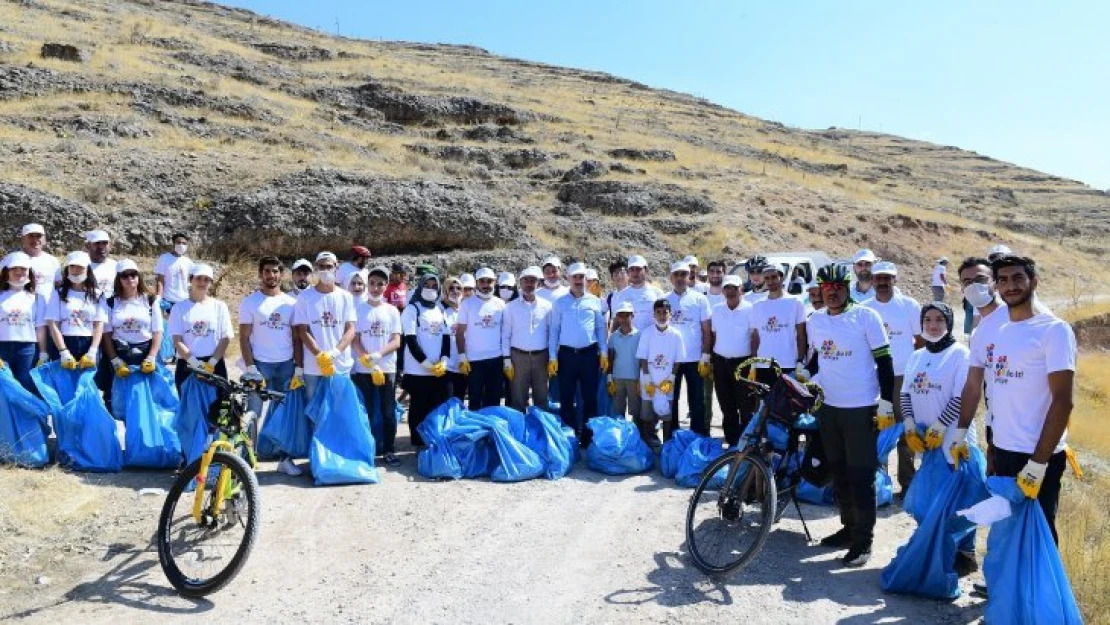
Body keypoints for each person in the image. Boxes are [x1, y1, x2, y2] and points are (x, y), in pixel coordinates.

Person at [954, 255, 1076, 545]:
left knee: (1039, 534)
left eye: (1018, 278)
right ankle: (1006, 588)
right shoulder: (990, 331)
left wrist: (1039, 463)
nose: (1011, 285)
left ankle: (1039, 591)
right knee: (1008, 530)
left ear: (1034, 282)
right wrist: (962, 433)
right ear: (997, 287)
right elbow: (977, 387)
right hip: (1004, 448)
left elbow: (1063, 401)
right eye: (1004, 280)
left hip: (1039, 453)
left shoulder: (1053, 330)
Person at [806, 263, 893, 567]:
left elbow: (884, 362)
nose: (832, 293)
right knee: (839, 473)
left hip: (861, 407)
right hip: (829, 408)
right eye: (826, 289)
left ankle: (863, 541)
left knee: (860, 476)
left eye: (838, 287)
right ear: (820, 290)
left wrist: (887, 402)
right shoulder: (815, 319)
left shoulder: (866, 316)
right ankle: (847, 529)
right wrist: (807, 375)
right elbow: (818, 359)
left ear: (847, 288)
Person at [899, 302, 979, 575]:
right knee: (934, 494)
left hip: (954, 436)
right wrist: (909, 425)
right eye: (928, 320)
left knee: (962, 494)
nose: (933, 325)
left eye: (939, 320)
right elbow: (906, 393)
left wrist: (942, 425)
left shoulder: (960, 354)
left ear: (949, 324)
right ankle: (936, 545)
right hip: (926, 439)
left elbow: (961, 396)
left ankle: (965, 552)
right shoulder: (916, 355)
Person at [862, 261, 924, 497]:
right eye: (879, 278)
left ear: (894, 280)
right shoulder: (865, 308)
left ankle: (907, 483)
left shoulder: (908, 305)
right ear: (872, 280)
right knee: (879, 429)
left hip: (903, 377)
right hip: (874, 377)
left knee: (906, 430)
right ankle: (880, 484)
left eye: (888, 278)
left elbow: (920, 341)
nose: (883, 282)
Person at [238, 256, 300, 474]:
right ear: (260, 274)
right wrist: (250, 367)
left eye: (275, 271)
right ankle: (246, 462)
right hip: (260, 364)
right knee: (252, 412)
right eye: (267, 271)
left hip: (285, 364)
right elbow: (244, 337)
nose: (271, 275)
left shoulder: (291, 303)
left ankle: (284, 459)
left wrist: (298, 367)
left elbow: (296, 337)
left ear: (281, 274)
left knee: (286, 413)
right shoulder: (250, 302)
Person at [548, 262, 607, 445]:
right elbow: (554, 331)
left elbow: (600, 328)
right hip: (566, 356)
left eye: (581, 277)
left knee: (590, 398)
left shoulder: (594, 301)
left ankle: (588, 438)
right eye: (575, 277)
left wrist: (603, 352)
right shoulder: (559, 303)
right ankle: (569, 437)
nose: (578, 280)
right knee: (567, 397)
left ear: (586, 279)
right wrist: (552, 357)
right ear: (568, 279)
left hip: (589, 355)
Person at [352, 265, 402, 466]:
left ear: (385, 286)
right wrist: (366, 358)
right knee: (368, 411)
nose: (375, 287)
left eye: (380, 284)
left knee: (388, 411)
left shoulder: (391, 310)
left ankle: (389, 449)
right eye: (372, 283)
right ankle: (368, 450)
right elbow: (354, 339)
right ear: (367, 285)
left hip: (387, 368)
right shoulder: (358, 309)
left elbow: (396, 340)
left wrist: (377, 356)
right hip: (364, 370)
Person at [291, 252, 357, 404]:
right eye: (321, 267)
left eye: (329, 266)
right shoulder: (305, 297)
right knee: (314, 411)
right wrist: (320, 355)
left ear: (336, 267)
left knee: (339, 410)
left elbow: (350, 329)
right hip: (313, 366)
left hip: (340, 365)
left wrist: (334, 353)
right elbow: (303, 330)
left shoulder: (345, 296)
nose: (325, 270)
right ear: (316, 268)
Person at [400, 271, 450, 447]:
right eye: (427, 286)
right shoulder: (412, 309)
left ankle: (432, 441)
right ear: (420, 287)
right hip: (418, 369)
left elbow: (445, 337)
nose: (430, 289)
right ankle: (418, 443)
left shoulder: (439, 309)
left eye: (434, 286)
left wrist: (443, 360)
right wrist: (426, 363)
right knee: (418, 407)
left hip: (438, 369)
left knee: (435, 406)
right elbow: (411, 340)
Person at [664, 261, 713, 437]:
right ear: (671, 277)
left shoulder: (699, 299)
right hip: (671, 360)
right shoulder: (664, 300)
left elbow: (706, 329)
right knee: (671, 399)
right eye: (676, 275)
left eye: (683, 275)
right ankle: (671, 439)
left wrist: (706, 355)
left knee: (697, 401)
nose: (680, 278)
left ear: (689, 276)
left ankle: (698, 438)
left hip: (694, 359)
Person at [168, 264, 233, 391]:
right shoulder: (179, 308)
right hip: (188, 366)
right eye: (198, 278)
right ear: (191, 280)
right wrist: (193, 363)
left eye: (206, 279)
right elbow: (177, 340)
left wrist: (212, 363)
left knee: (217, 408)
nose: (202, 282)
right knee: (190, 408)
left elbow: (225, 338)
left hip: (214, 366)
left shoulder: (219, 306)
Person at [710, 275, 755, 447]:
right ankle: (731, 442)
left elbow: (754, 337)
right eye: (727, 288)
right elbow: (714, 335)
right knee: (726, 405)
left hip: (743, 364)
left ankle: (745, 444)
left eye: (734, 288)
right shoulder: (717, 309)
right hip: (721, 363)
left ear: (741, 289)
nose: (730, 292)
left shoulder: (750, 309)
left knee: (745, 406)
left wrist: (754, 363)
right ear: (723, 290)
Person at [46, 252, 106, 373]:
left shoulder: (98, 295)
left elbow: (99, 325)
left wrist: (93, 351)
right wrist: (63, 351)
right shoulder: (58, 293)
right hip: (65, 341)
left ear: (87, 270)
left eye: (80, 267)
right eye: (72, 266)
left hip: (88, 343)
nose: (75, 270)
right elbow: (53, 324)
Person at [502, 266, 552, 412]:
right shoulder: (510, 308)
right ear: (520, 283)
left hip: (541, 357)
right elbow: (506, 334)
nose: (529, 284)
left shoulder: (547, 306)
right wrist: (506, 359)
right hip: (518, 357)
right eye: (526, 281)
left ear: (538, 283)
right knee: (518, 398)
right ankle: (519, 431)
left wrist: (552, 357)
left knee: (542, 398)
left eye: (533, 281)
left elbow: (551, 333)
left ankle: (540, 429)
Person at [636, 299, 684, 448]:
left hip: (666, 382)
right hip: (649, 380)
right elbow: (643, 357)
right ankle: (648, 444)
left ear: (670, 314)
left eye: (665, 312)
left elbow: (678, 359)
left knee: (666, 416)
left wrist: (671, 378)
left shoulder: (676, 335)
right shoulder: (647, 333)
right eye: (659, 312)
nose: (662, 316)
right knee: (647, 415)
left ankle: (667, 446)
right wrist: (647, 379)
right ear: (654, 314)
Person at [456, 267, 506, 410]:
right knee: (474, 400)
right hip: (474, 361)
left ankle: (491, 431)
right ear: (477, 283)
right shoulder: (467, 304)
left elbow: (505, 332)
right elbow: (460, 332)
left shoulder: (500, 304)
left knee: (494, 399)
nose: (485, 285)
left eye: (489, 281)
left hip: (496, 359)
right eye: (482, 281)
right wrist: (462, 357)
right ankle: (476, 432)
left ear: (494, 282)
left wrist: (506, 359)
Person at [750, 263, 807, 386]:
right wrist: (754, 362)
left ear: (782, 277)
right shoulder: (757, 305)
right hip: (763, 364)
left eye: (774, 277)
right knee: (766, 404)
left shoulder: (795, 302)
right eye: (767, 278)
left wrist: (800, 361)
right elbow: (755, 336)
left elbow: (801, 335)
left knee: (788, 404)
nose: (770, 281)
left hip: (788, 364)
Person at [0, 252, 48, 394]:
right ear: (7, 272)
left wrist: (44, 352)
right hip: (2, 347)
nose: (19, 272)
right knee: (4, 387)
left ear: (29, 273)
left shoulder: (37, 298)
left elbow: (40, 327)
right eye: (14, 269)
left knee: (26, 385)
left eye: (23, 269)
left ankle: (28, 417)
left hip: (27, 349)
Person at [607, 302, 641, 425]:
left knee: (636, 412)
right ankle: (621, 437)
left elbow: (643, 359)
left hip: (634, 378)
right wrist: (609, 377)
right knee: (618, 411)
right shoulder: (613, 337)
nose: (623, 319)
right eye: (620, 315)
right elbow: (610, 358)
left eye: (627, 315)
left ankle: (637, 437)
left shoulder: (639, 335)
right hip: (618, 378)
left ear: (632, 316)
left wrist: (642, 378)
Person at [610, 255, 664, 332]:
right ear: (628, 272)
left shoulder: (657, 293)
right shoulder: (622, 295)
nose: (635, 273)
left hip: (652, 340)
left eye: (638, 269)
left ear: (646, 270)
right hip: (631, 341)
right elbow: (617, 321)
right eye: (632, 269)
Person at [19, 224, 60, 305]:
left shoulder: (52, 261)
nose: (35, 240)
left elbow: (58, 285)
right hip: (22, 308)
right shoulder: (12, 259)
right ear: (23, 239)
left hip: (47, 307)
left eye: (38, 236)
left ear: (44, 239)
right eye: (31, 236)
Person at [440, 276, 467, 401]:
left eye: (458, 288)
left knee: (460, 401)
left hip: (464, 364)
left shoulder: (466, 309)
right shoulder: (440, 309)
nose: (455, 291)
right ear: (445, 290)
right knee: (447, 401)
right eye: (451, 288)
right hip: (447, 365)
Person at [154, 233, 194, 311]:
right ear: (173, 244)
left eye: (184, 243)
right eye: (178, 242)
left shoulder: (188, 261)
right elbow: (160, 280)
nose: (181, 245)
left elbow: (194, 279)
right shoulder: (164, 258)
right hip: (168, 301)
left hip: (184, 301)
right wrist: (159, 297)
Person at [84, 230, 117, 298]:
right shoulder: (81, 267)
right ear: (88, 246)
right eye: (97, 243)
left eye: (105, 243)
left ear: (110, 245)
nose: (101, 247)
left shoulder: (117, 266)